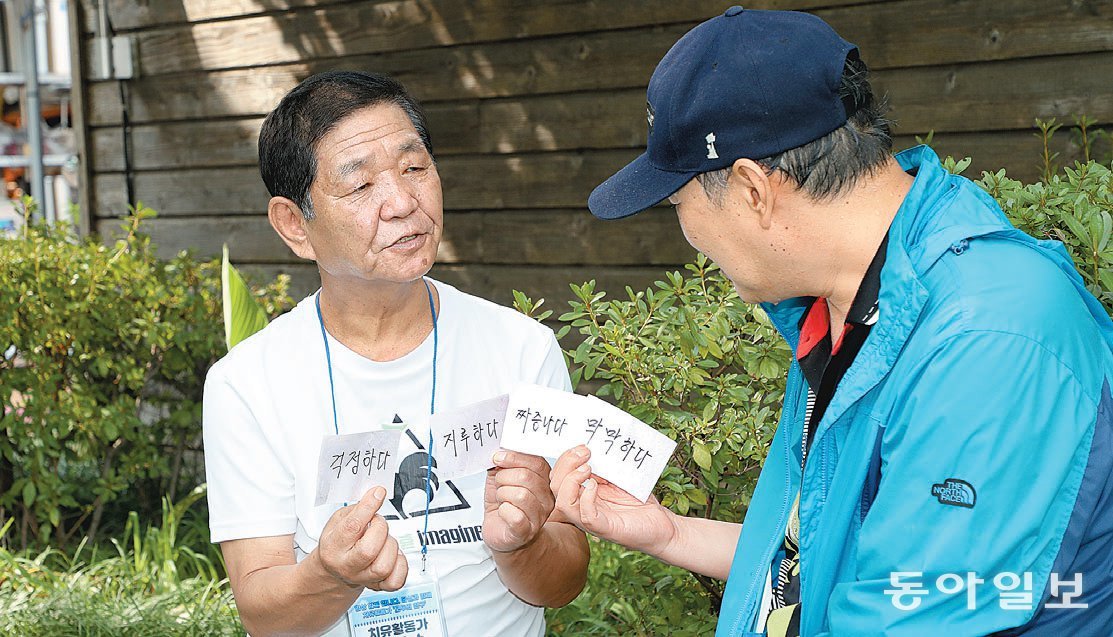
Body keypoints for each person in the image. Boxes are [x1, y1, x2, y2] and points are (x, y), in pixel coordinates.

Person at [550, 7, 1113, 636]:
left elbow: (913, 613)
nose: (685, 232)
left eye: (678, 202)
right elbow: (837, 551)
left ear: (752, 190)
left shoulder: (985, 337)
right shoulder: (846, 302)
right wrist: (671, 531)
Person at [202, 70, 588, 637]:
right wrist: (331, 573)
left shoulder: (520, 348)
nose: (403, 202)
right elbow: (264, 614)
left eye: (415, 168)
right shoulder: (247, 382)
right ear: (294, 225)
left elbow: (565, 582)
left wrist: (521, 543)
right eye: (360, 186)